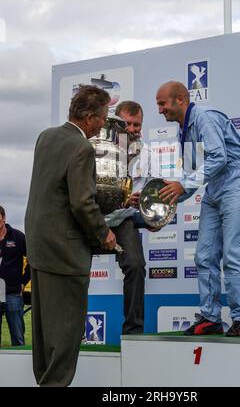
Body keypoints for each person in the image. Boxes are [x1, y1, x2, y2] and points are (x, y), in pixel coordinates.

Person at [25, 85, 117, 387]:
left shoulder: (46, 137)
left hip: (39, 249)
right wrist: (105, 234)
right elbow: (81, 203)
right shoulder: (82, 148)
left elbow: (55, 193)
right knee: (63, 340)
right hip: (65, 254)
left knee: (43, 338)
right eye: (103, 117)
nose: (104, 123)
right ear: (89, 118)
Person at [156, 81, 240, 337]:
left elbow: (218, 158)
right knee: (204, 255)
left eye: (162, 103)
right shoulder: (183, 129)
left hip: (237, 184)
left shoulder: (205, 117)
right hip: (215, 188)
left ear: (180, 99)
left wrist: (184, 184)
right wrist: (168, 196)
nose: (160, 110)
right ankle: (210, 316)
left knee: (234, 254)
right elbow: (192, 174)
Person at [104, 101, 149, 335]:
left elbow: (144, 197)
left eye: (137, 124)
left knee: (135, 265)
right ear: (116, 123)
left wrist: (150, 216)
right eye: (127, 124)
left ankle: (133, 333)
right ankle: (72, 330)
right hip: (91, 216)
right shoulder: (97, 147)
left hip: (123, 219)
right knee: (75, 268)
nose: (132, 129)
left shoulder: (146, 153)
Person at [0, 206, 30, 346]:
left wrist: (24, 281)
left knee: (18, 338)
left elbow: (32, 259)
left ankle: (18, 366)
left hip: (13, 293)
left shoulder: (17, 237)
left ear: (4, 218)